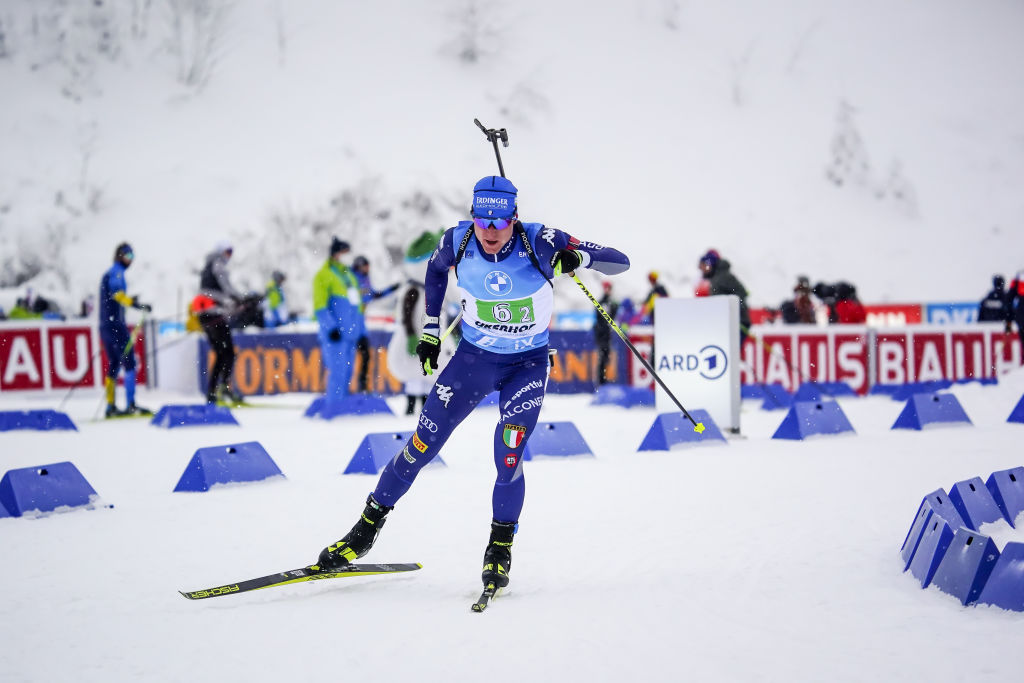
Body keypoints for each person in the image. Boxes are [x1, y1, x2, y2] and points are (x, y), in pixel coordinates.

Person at [311, 175, 630, 595]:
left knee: (509, 456)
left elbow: (618, 260)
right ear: (473, 217)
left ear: (514, 219)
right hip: (472, 362)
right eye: (483, 220)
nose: (491, 231)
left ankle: (500, 546)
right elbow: (435, 272)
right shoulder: (456, 241)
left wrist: (577, 260)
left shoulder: (542, 240)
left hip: (526, 366)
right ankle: (366, 528)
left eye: (500, 221)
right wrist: (429, 330)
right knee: (420, 446)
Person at [386, 231, 455, 414]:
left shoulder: (433, 288)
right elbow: (406, 315)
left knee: (427, 377)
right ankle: (411, 408)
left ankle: (425, 407)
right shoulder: (413, 290)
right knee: (416, 376)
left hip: (430, 339)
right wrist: (410, 335)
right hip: (416, 339)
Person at [98, 242, 152, 417]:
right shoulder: (116, 272)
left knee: (114, 363)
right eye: (128, 256)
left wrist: (132, 302)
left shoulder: (111, 272)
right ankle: (131, 404)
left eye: (132, 256)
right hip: (114, 325)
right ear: (119, 256)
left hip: (105, 325)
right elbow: (117, 295)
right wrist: (137, 305)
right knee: (129, 362)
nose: (130, 260)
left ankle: (110, 407)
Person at [313, 237, 363, 407]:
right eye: (345, 252)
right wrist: (331, 327)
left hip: (350, 333)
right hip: (335, 334)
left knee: (348, 371)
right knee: (337, 371)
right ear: (336, 253)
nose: (348, 256)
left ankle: (343, 407)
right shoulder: (323, 275)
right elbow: (320, 306)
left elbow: (357, 306)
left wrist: (360, 331)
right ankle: (334, 406)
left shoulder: (348, 275)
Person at [192, 240, 245, 404]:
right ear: (221, 251)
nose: (229, 256)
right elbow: (227, 288)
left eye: (231, 253)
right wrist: (241, 298)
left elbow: (216, 291)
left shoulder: (208, 266)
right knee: (228, 353)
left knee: (222, 354)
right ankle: (223, 390)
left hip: (204, 315)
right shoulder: (218, 264)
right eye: (227, 252)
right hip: (214, 315)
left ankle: (212, 393)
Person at [351, 255, 400, 393]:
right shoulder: (351, 278)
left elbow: (373, 295)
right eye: (364, 266)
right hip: (350, 325)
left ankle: (362, 387)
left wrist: (392, 289)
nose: (367, 269)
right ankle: (348, 389)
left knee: (365, 355)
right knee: (349, 357)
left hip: (360, 325)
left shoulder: (364, 279)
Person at [699, 249, 751, 342]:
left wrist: (733, 311)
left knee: (730, 352)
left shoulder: (723, 277)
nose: (702, 270)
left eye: (704, 266)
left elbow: (742, 293)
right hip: (729, 322)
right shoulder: (716, 278)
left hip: (737, 323)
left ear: (711, 265)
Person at [593, 280, 619, 385]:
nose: (608, 290)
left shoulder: (611, 302)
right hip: (602, 334)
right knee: (603, 356)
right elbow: (599, 318)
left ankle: (602, 379)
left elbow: (614, 314)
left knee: (606, 356)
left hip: (606, 334)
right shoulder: (602, 301)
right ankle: (601, 380)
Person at [1005, 272, 1024, 356]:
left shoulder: (1020, 276)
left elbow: (1008, 300)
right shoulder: (1019, 277)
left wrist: (1009, 321)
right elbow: (1009, 300)